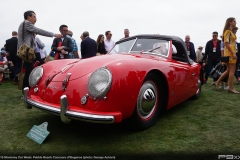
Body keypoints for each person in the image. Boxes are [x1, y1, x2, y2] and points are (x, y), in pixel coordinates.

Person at [18, 10, 62, 93]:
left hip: (25, 52)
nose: (36, 19)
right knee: (29, 72)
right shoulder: (27, 23)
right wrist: (54, 34)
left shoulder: (24, 25)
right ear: (28, 17)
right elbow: (39, 31)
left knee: (28, 71)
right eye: (34, 17)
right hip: (27, 52)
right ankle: (26, 92)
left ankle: (26, 90)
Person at [213, 17, 239, 93]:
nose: (235, 22)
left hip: (230, 52)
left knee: (228, 70)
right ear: (230, 22)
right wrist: (233, 53)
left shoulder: (229, 31)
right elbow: (226, 43)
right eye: (234, 21)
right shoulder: (227, 32)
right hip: (231, 53)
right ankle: (231, 88)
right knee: (232, 70)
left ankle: (217, 82)